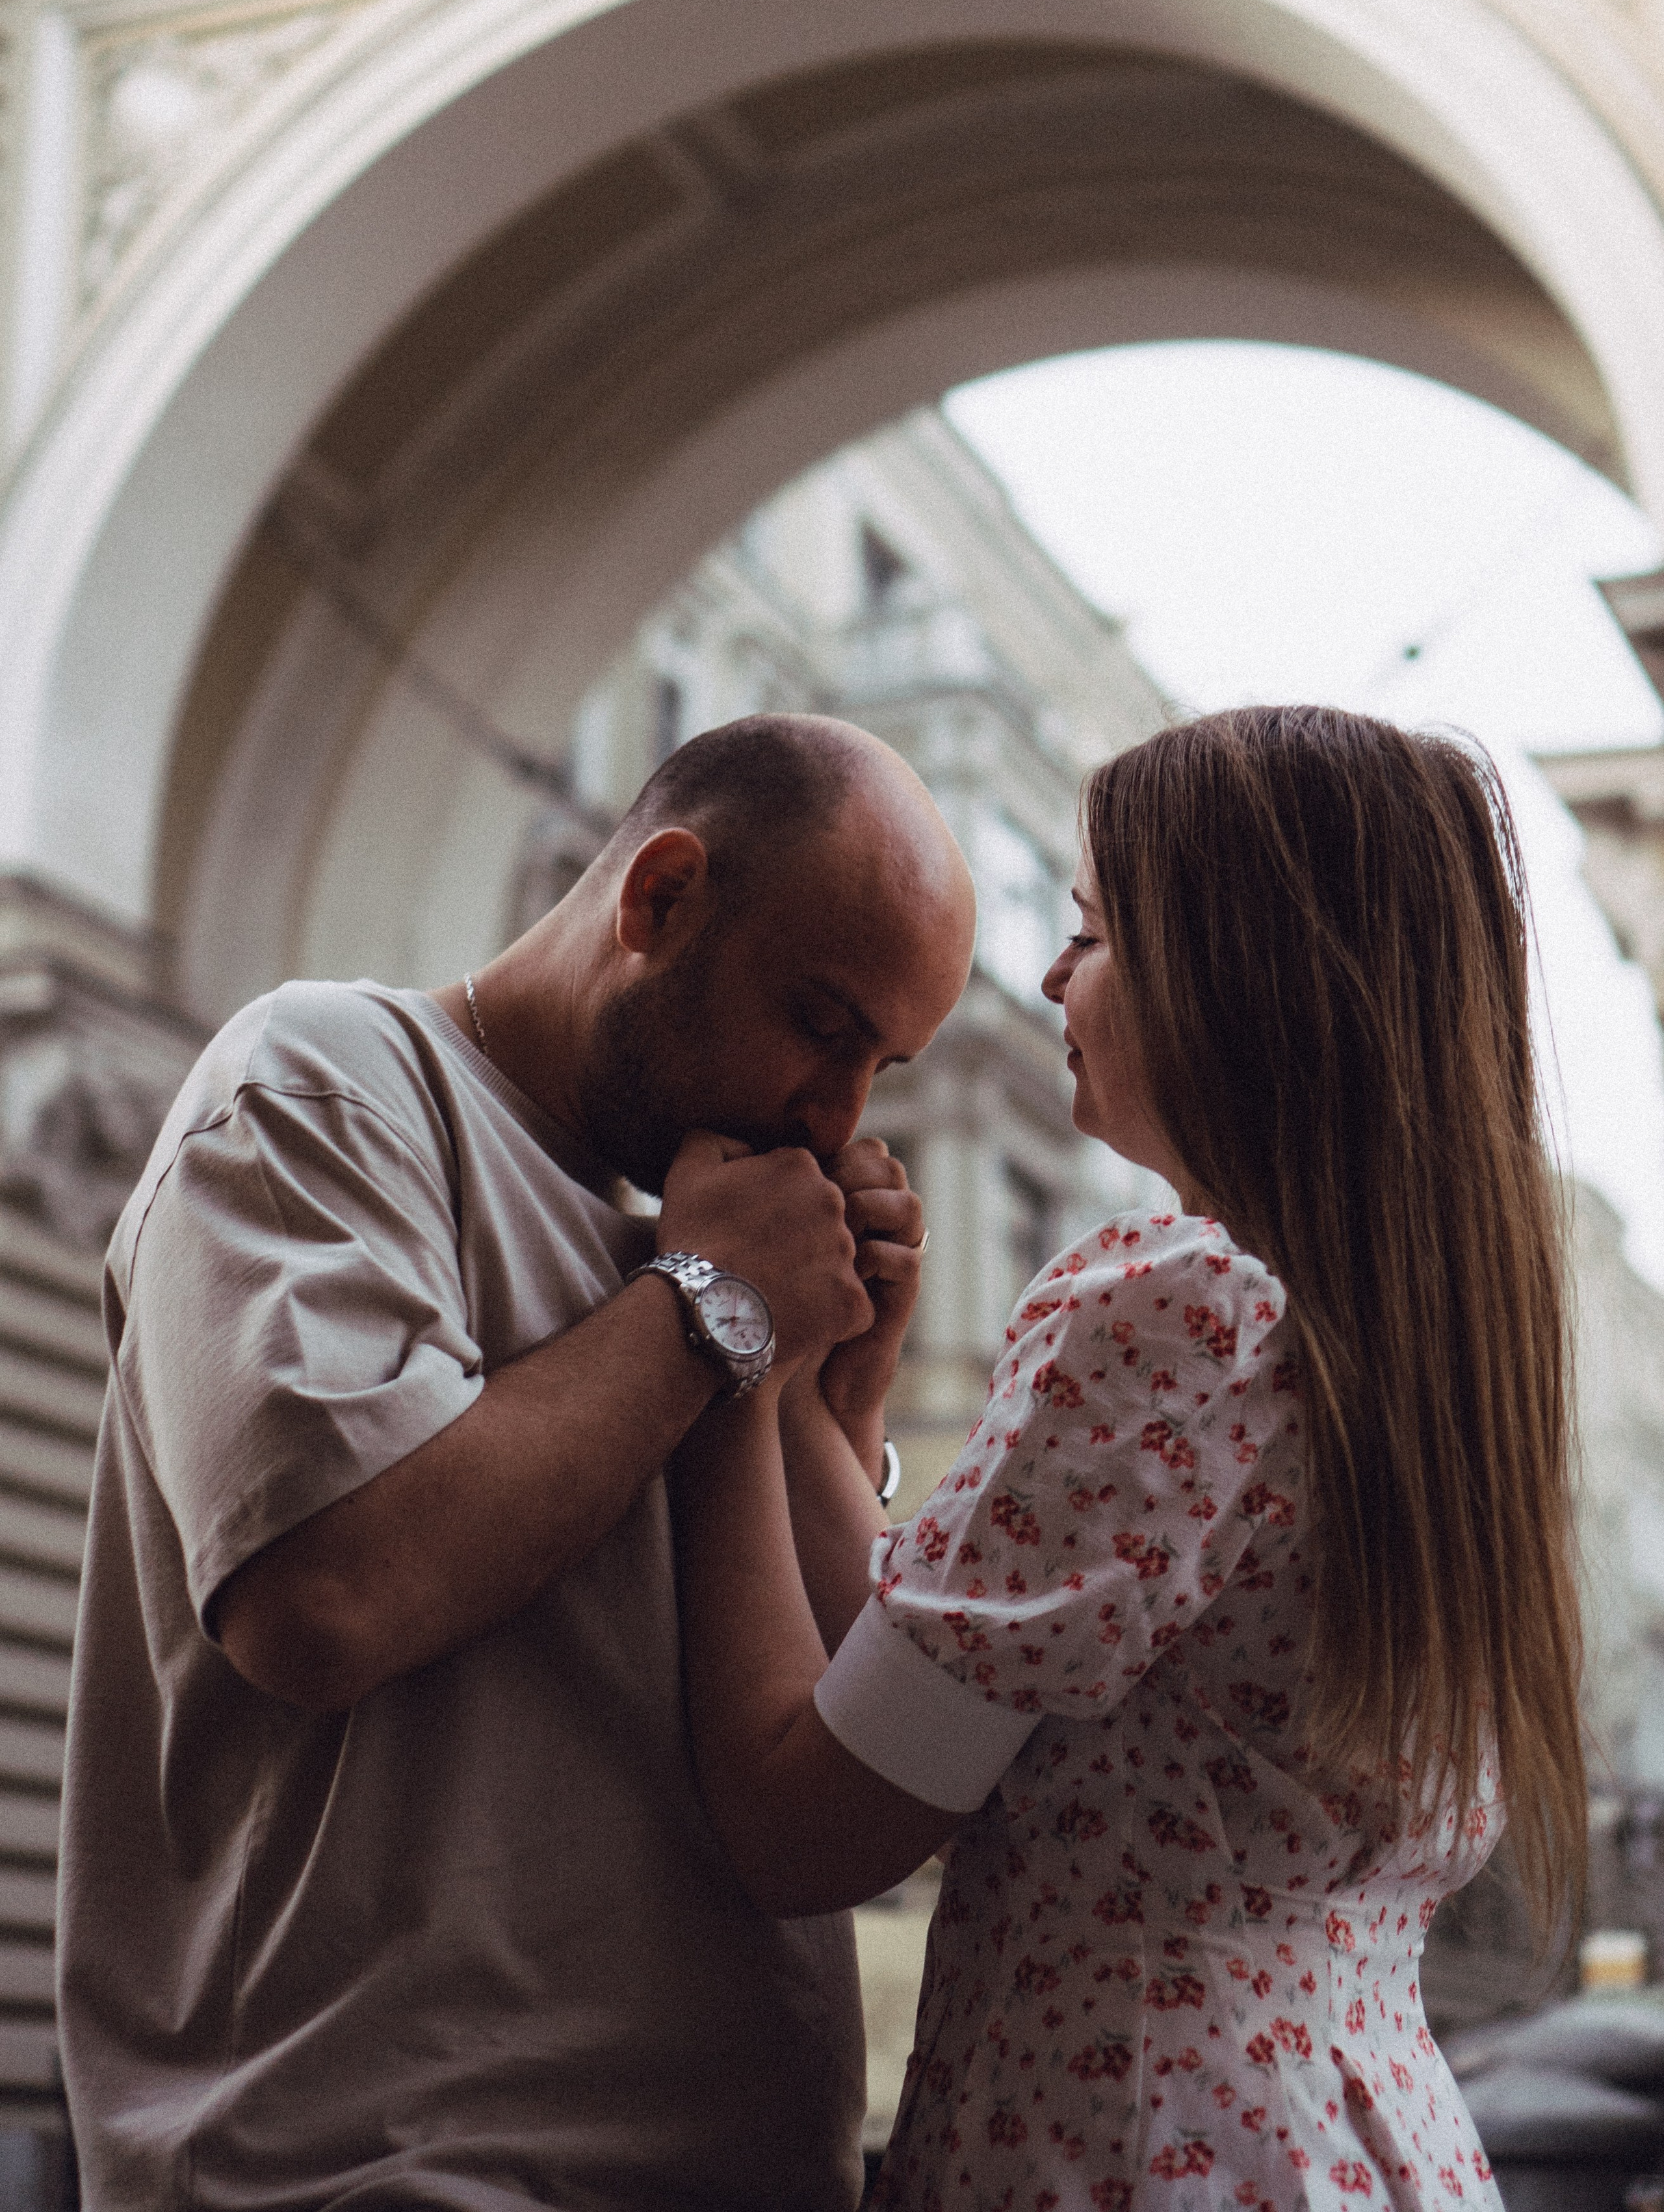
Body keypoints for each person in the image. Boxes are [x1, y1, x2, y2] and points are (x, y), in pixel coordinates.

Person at [58, 714, 978, 2211]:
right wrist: (713, 1309)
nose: (839, 1116)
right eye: (819, 1023)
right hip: (373, 2174)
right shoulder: (327, 1083)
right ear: (657, 898)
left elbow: (838, 1785)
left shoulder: (696, 1234)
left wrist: (832, 1398)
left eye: (882, 1061)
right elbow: (325, 1596)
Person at [673, 705, 1585, 2212]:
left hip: (1130, 2150)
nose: (1047, 977)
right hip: (1368, 2157)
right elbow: (917, 1680)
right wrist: (823, 1406)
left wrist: (722, 1342)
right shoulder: (1417, 1376)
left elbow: (799, 1825)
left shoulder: (1176, 1308)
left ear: (1241, 977)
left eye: (1090, 932)